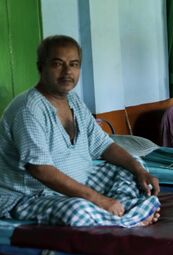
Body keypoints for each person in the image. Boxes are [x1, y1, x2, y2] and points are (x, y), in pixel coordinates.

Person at [0, 35, 160, 227]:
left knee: (133, 164)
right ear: (41, 67)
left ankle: (121, 209)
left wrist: (139, 171)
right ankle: (131, 216)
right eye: (58, 64)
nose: (67, 71)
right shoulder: (28, 109)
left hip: (78, 183)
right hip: (30, 196)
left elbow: (104, 145)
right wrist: (99, 200)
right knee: (76, 210)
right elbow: (40, 169)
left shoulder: (73, 101)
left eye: (74, 64)